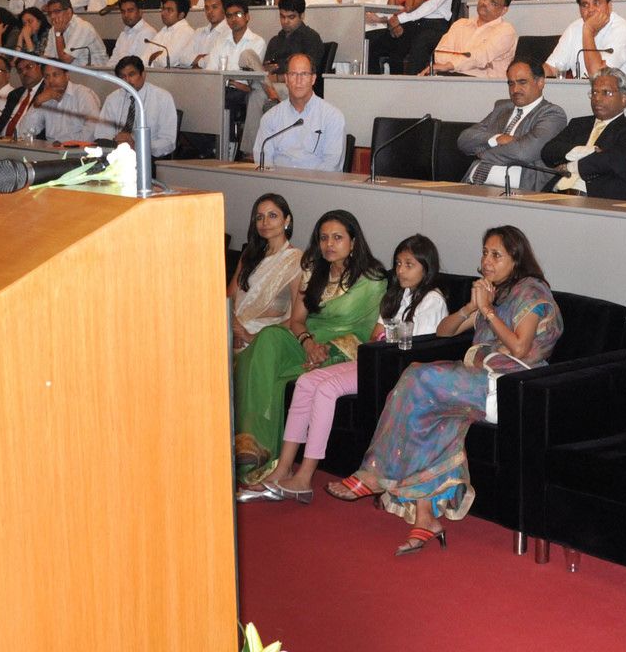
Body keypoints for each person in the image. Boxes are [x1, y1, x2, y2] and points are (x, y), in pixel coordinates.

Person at [327, 226, 563, 555]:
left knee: (417, 378)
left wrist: (490, 312)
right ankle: (426, 519)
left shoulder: (532, 292)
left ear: (517, 260)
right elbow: (445, 330)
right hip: (479, 382)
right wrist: (472, 307)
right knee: (429, 414)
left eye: (496, 255)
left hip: (512, 388)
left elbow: (521, 349)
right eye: (484, 252)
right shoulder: (494, 292)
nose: (487, 261)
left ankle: (375, 472)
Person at [248, 236, 451, 504]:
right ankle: (283, 467)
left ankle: (305, 476)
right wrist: (379, 344)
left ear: (426, 267)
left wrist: (383, 341)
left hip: (397, 371)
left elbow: (413, 348)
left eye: (409, 265)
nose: (400, 270)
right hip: (374, 361)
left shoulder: (432, 299)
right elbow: (376, 334)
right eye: (398, 264)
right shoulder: (397, 294)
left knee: (327, 388)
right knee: (308, 381)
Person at [233, 210, 387, 485]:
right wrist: (308, 343)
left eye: (337, 238)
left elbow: (365, 331)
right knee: (266, 340)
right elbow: (297, 321)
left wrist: (323, 348)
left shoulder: (372, 279)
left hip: (343, 350)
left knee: (275, 373)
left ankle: (266, 456)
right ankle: (251, 443)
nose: (329, 244)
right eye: (324, 238)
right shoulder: (313, 271)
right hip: (307, 341)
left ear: (353, 242)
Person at [540, 68, 626, 199]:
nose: (597, 98)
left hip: (597, 201)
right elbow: (548, 152)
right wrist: (585, 151)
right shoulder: (578, 124)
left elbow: (615, 161)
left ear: (624, 99)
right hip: (554, 194)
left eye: (606, 93)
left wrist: (571, 166)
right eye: (594, 92)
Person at [456, 61, 568, 191]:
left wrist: (482, 152)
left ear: (540, 82)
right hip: (471, 184)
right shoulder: (502, 108)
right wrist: (496, 139)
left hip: (515, 191)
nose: (515, 90)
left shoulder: (552, 114)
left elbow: (523, 152)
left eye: (522, 82)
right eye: (511, 83)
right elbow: (464, 140)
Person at [230, 193, 303, 350]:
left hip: (265, 337)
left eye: (272, 215)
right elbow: (229, 296)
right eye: (259, 217)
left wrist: (251, 337)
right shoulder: (250, 254)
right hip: (234, 328)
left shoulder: (296, 260)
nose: (265, 222)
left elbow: (298, 318)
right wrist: (234, 329)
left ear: (287, 220)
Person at [252, 53, 347, 170]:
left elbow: (331, 165)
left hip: (316, 185)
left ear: (313, 79)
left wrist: (303, 186)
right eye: (293, 74)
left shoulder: (332, 117)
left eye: (304, 74)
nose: (298, 80)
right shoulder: (270, 117)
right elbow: (263, 162)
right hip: (278, 185)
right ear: (286, 79)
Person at [544, 0, 626, 78]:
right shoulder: (574, 28)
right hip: (580, 92)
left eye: (596, 3)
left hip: (616, 92)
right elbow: (551, 68)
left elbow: (597, 75)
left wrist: (588, 30)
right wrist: (534, 75)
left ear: (609, 6)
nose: (591, 9)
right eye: (585, 5)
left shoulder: (621, 30)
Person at [425, 0, 517, 77]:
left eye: (493, 2)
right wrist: (473, 64)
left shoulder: (506, 31)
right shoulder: (460, 24)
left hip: (483, 86)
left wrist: (450, 65)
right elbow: (439, 54)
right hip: (450, 79)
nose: (485, 3)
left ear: (504, 10)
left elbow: (480, 56)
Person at [106, 56, 175, 162]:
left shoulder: (162, 97)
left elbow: (168, 143)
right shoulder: (112, 98)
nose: (127, 81)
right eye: (123, 77)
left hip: (149, 159)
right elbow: (102, 135)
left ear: (143, 74)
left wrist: (137, 144)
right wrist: (118, 142)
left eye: (131, 75)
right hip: (116, 157)